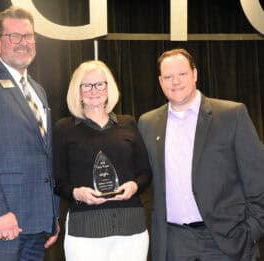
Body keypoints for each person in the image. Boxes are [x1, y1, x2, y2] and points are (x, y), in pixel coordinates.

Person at [138, 48, 264, 261]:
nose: (175, 82)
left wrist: (250, 231)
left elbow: (258, 181)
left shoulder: (231, 115)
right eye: (168, 77)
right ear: (160, 81)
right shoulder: (148, 123)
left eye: (182, 74)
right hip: (173, 243)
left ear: (195, 74)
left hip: (226, 241)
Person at [0, 6, 59, 261]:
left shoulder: (38, 91)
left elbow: (45, 157)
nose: (23, 43)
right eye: (14, 36)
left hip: (36, 221)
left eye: (28, 36)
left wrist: (52, 214)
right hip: (0, 221)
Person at [53, 60, 152, 261]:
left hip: (131, 229)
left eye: (100, 84)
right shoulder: (64, 128)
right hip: (85, 229)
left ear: (109, 88)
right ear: (77, 91)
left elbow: (145, 173)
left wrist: (134, 185)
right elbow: (57, 180)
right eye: (87, 85)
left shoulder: (128, 123)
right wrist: (76, 193)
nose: (94, 90)